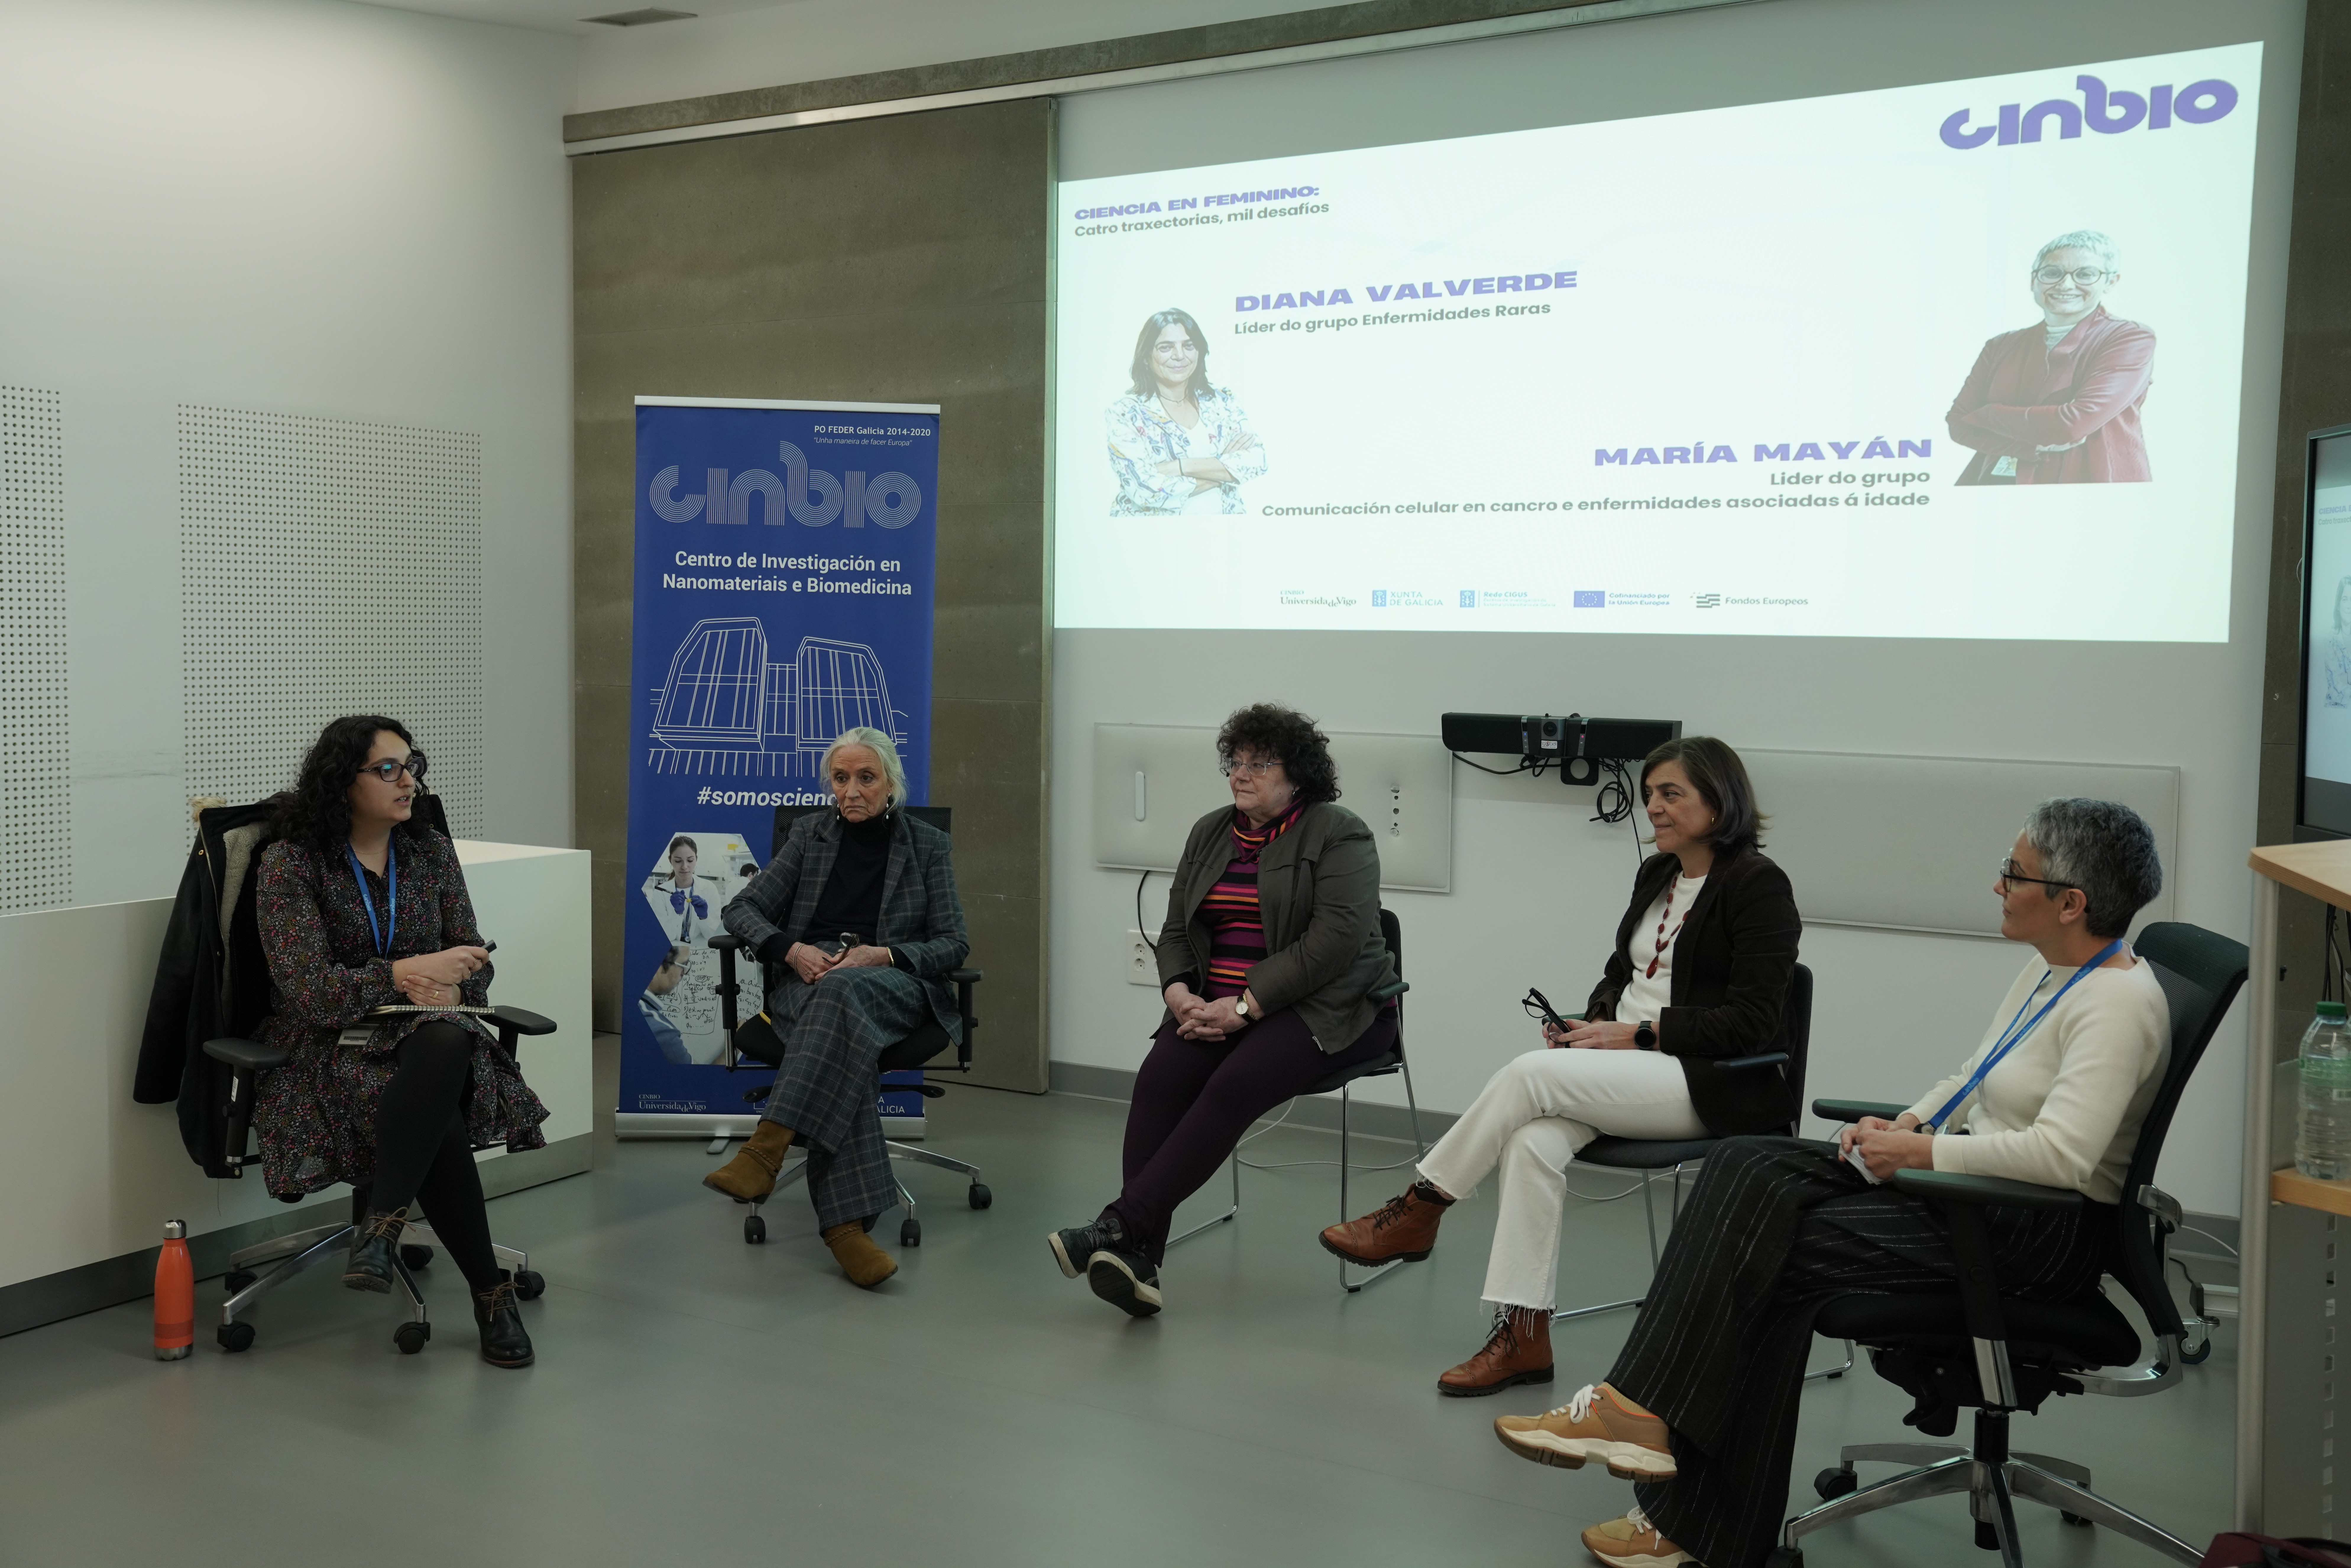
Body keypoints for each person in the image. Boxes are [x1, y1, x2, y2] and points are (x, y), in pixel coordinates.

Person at [1495, 798, 2168, 1568]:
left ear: (2071, 903)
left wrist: (1920, 1157)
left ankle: (1693, 1521)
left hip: (2028, 1230)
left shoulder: (2116, 1004)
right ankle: (1641, 1425)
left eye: (2015, 874)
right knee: (1745, 1160)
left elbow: (2064, 1159)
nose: (1998, 887)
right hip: (1971, 1183)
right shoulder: (2054, 970)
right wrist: (1907, 1125)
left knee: (1776, 1261)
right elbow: (1975, 1077)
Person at [1322, 737, 1800, 1395]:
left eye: (1671, 794)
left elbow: (1755, 1021)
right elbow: (1619, 976)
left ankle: (1421, 1207)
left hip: (1709, 1083)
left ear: (1720, 803)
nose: (1652, 807)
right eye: (1649, 792)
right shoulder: (1656, 875)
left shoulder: (1758, 886)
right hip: (1632, 1068)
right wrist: (1589, 1023)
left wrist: (1634, 1035)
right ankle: (1524, 1336)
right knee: (1531, 1140)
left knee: (1527, 1075)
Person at [1046, 703, 1398, 1317]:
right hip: (1217, 1005)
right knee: (1160, 1078)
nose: (1241, 773)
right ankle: (1138, 1260)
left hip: (1327, 1009)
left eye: (1260, 763)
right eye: (1235, 762)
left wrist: (1247, 1004)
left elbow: (1336, 942)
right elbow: (1178, 926)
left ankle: (1117, 1228)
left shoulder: (1340, 833)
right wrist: (1178, 991)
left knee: (1232, 1084)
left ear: (1298, 775)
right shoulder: (1212, 830)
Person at [250, 715, 550, 1368]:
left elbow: (475, 959)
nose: (408, 780)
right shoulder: (290, 865)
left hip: (425, 1033)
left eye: (412, 764)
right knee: (433, 1095)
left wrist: (455, 989)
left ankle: (381, 1225)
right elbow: (309, 991)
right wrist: (403, 975)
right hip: (325, 1049)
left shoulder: (430, 852)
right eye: (388, 769)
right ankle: (490, 1294)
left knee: (442, 1044)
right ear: (341, 783)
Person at [700, 726, 969, 1289]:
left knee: (843, 992)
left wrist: (884, 954)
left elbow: (953, 943)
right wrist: (791, 950)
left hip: (891, 984)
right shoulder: (810, 835)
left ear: (891, 783)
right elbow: (741, 909)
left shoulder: (926, 845)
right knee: (836, 1004)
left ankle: (767, 1147)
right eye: (841, 778)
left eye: (866, 778)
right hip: (810, 978)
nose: (851, 790)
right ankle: (845, 1229)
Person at [1946, 229, 2153, 485]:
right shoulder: (2000, 346)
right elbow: (1958, 425)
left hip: (2090, 486)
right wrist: (2030, 447)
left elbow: (2072, 425)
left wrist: (1988, 414)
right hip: (1997, 485)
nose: (2065, 285)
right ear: (2034, 281)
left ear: (2111, 282)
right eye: (2052, 273)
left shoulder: (2129, 338)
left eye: (2085, 274)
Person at [1105, 307, 1267, 515]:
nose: (1180, 355)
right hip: (1149, 538)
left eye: (1189, 346)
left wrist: (1180, 466)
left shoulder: (1223, 401)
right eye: (1166, 348)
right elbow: (1144, 489)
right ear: (1146, 357)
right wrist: (1224, 468)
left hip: (1223, 532)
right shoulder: (1126, 412)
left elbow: (1257, 461)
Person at [644, 834, 724, 944]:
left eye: (690, 861)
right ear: (670, 860)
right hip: (672, 951)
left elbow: (714, 936)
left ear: (696, 859)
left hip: (702, 952)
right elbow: (662, 936)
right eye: (678, 861)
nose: (685, 867)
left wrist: (704, 917)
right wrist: (677, 914)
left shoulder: (710, 889)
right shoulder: (660, 893)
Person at [2324, 575, 2351, 708]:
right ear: (2339, 605)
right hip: (2335, 712)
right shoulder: (2330, 640)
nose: (2349, 606)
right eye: (2345, 600)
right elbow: (2337, 688)